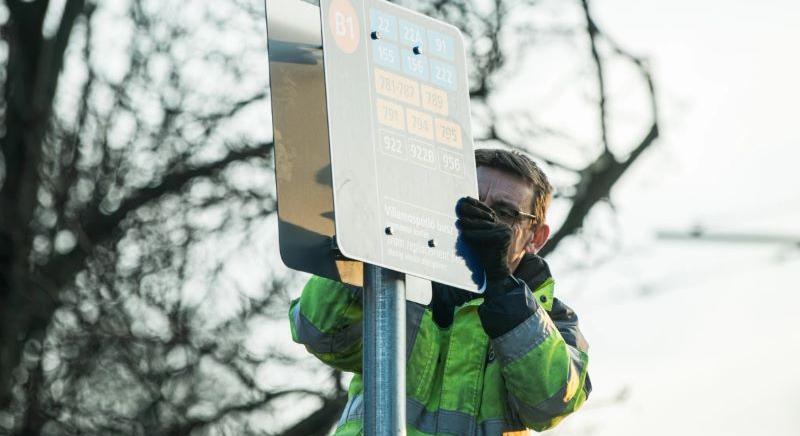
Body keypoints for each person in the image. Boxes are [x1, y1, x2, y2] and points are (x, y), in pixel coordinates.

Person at [289, 148, 591, 435]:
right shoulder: (398, 282)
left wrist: (500, 284)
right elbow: (318, 332)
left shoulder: (553, 320)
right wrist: (364, 240)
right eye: (472, 203)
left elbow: (551, 403)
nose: (482, 219)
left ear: (535, 237)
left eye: (504, 212)